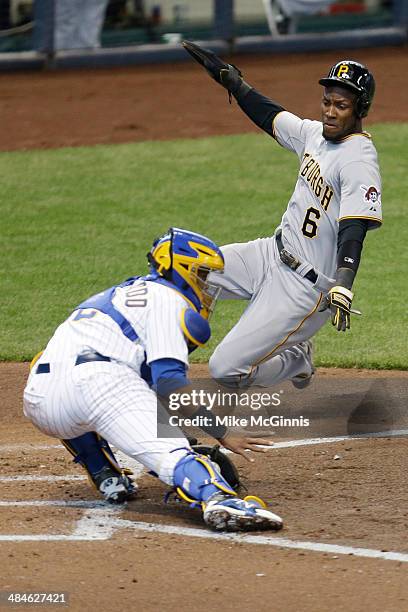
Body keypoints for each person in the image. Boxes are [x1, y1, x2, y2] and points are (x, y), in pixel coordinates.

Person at [23, 228, 283, 532]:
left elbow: (144, 383)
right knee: (175, 456)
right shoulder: (168, 299)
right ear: (181, 269)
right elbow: (169, 383)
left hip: (41, 402)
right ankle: (220, 500)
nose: (206, 285)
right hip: (101, 386)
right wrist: (221, 431)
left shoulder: (119, 294)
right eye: (201, 274)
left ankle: (103, 471)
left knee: (66, 372)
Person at [182, 44, 382, 390]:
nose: (330, 112)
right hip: (269, 254)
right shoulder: (314, 135)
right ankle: (168, 364)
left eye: (341, 105)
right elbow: (270, 114)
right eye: (327, 102)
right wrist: (234, 84)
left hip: (303, 289)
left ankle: (296, 358)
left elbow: (355, 228)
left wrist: (343, 283)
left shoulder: (358, 161)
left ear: (360, 109)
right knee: (191, 269)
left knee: (225, 369)